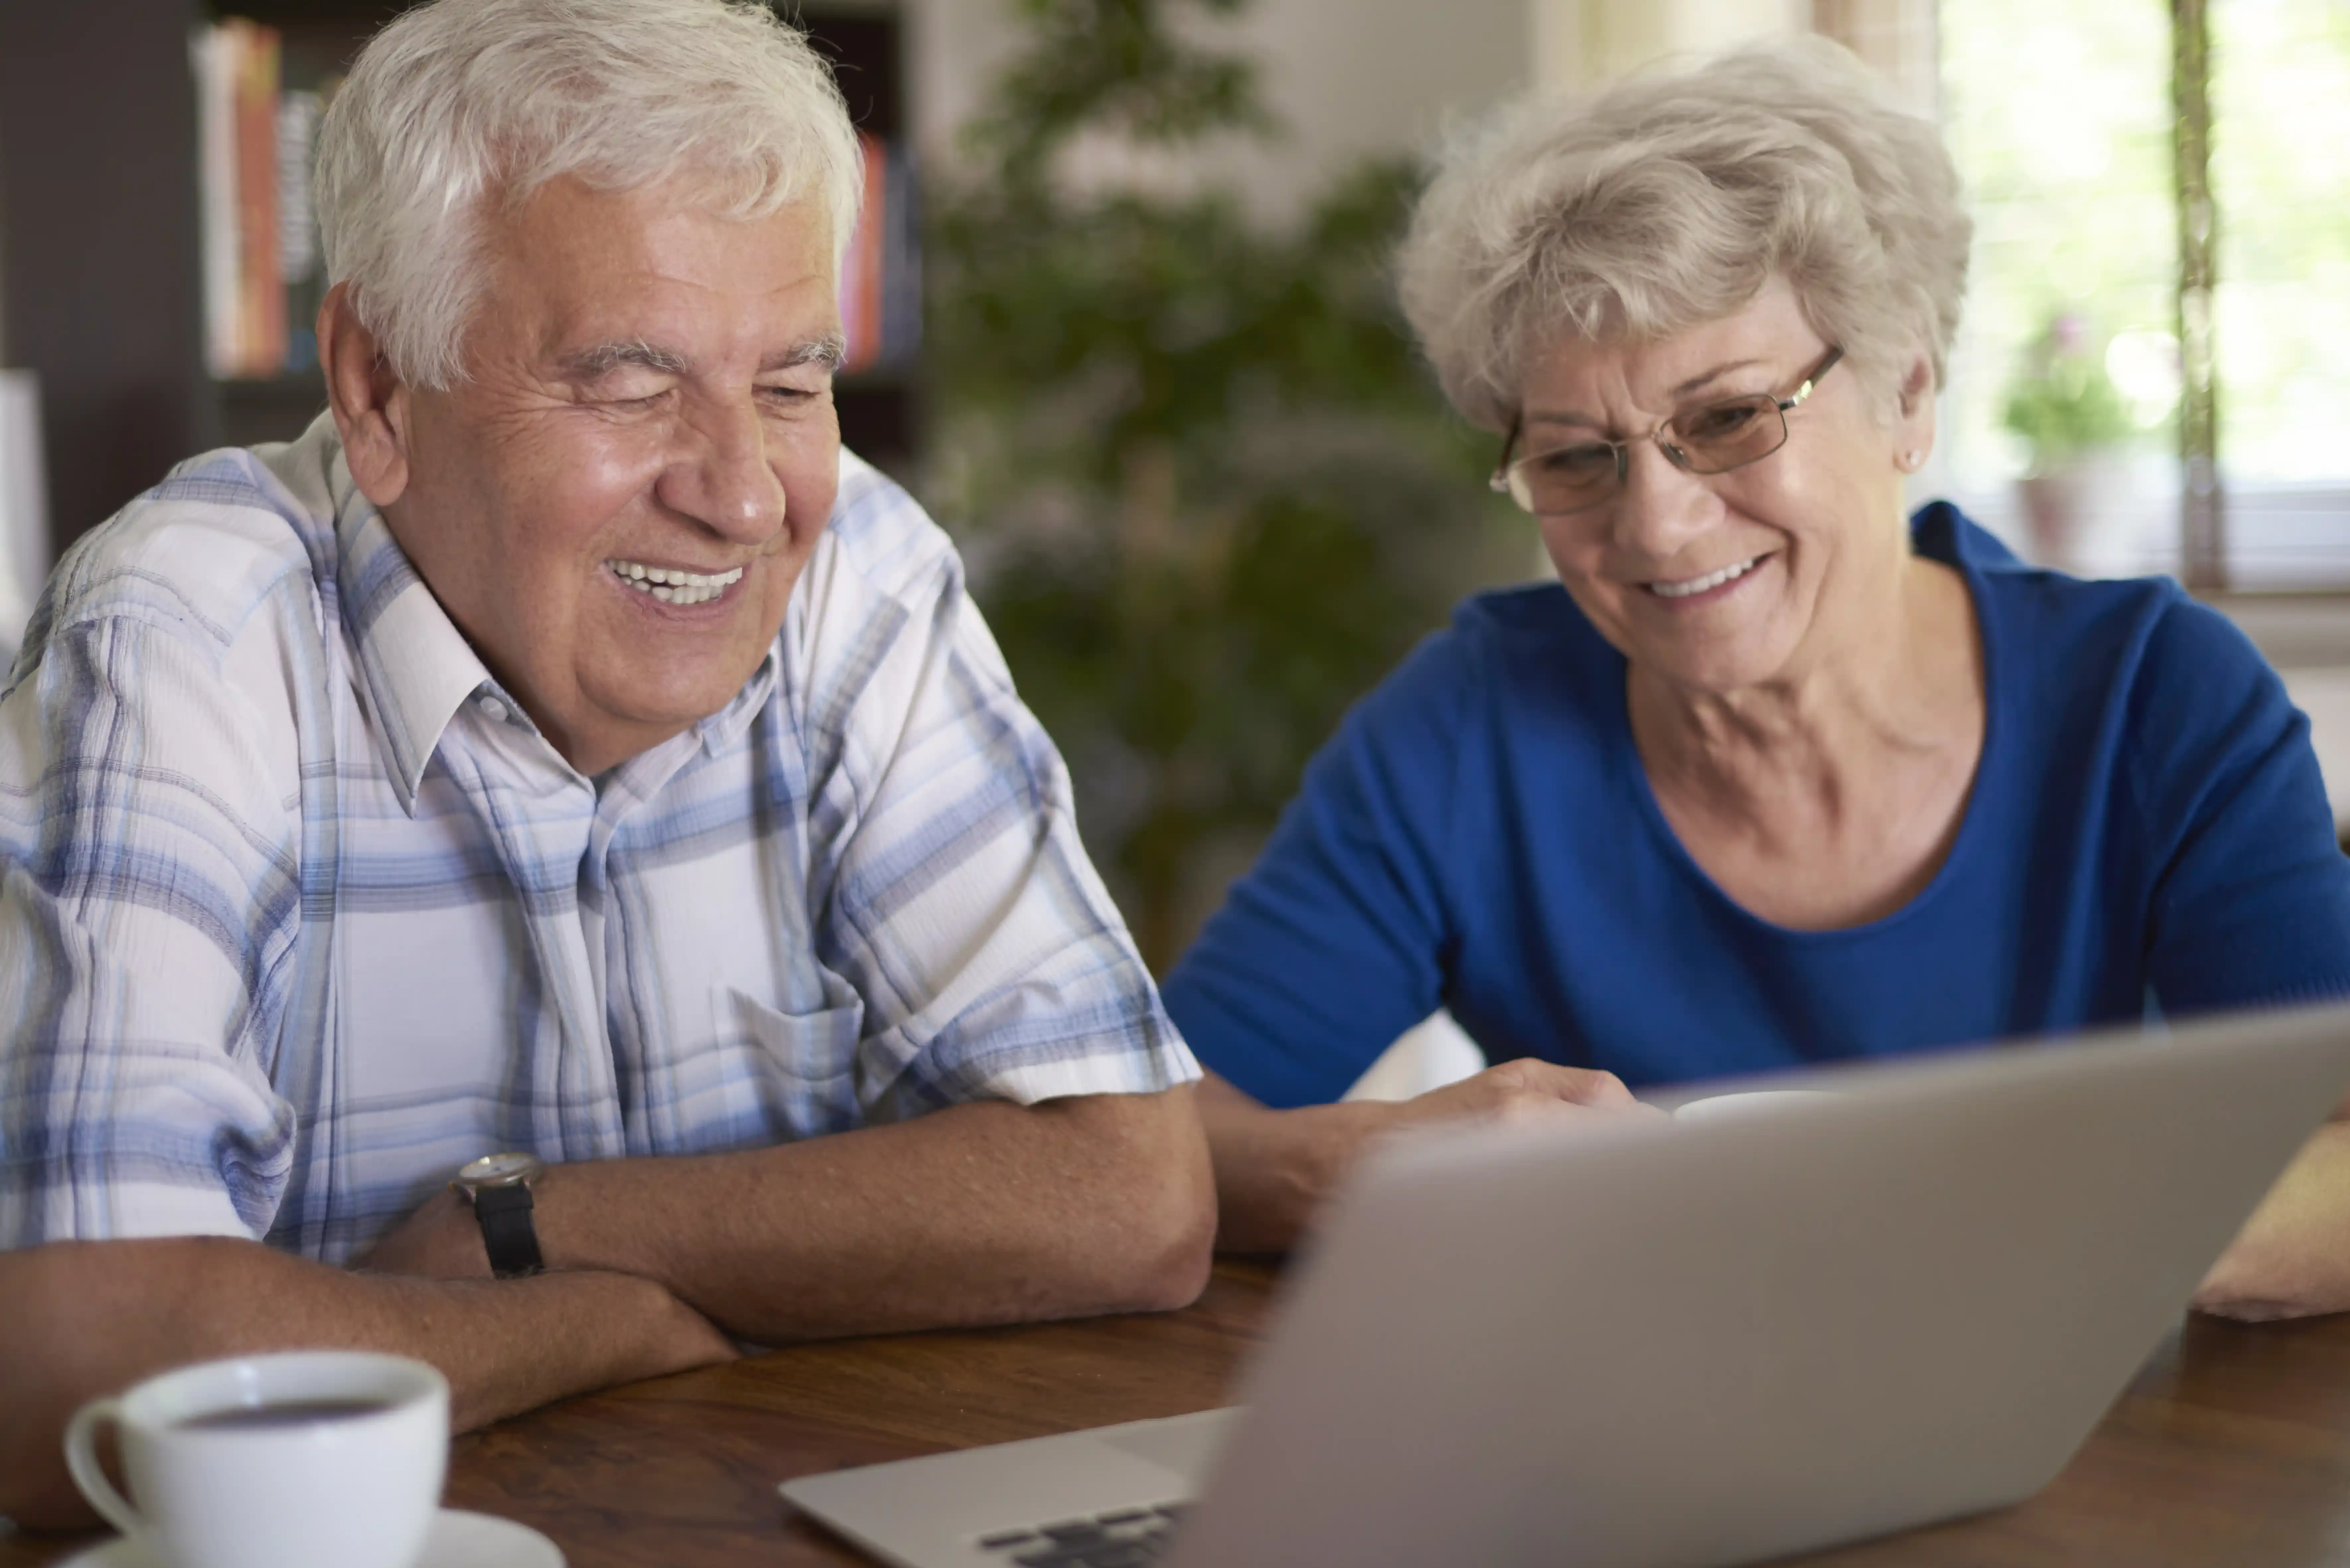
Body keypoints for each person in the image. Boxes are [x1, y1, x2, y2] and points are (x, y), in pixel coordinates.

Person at [0, 0, 1211, 1527]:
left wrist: (520, 1225)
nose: (741, 495)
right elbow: (69, 1363)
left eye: (789, 383)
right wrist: (590, 1321)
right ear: (378, 390)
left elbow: (1126, 1191)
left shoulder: (860, 573)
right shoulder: (185, 631)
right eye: (631, 384)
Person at [1163, 39, 2350, 1317]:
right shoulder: (1466, 726)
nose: (1658, 527)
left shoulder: (2152, 698)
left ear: (1904, 394)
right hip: (1628, 1451)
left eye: (1728, 419)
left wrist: (1972, 1223)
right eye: (1575, 459)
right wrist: (1370, 1164)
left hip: (2065, 1441)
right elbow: (1166, 1141)